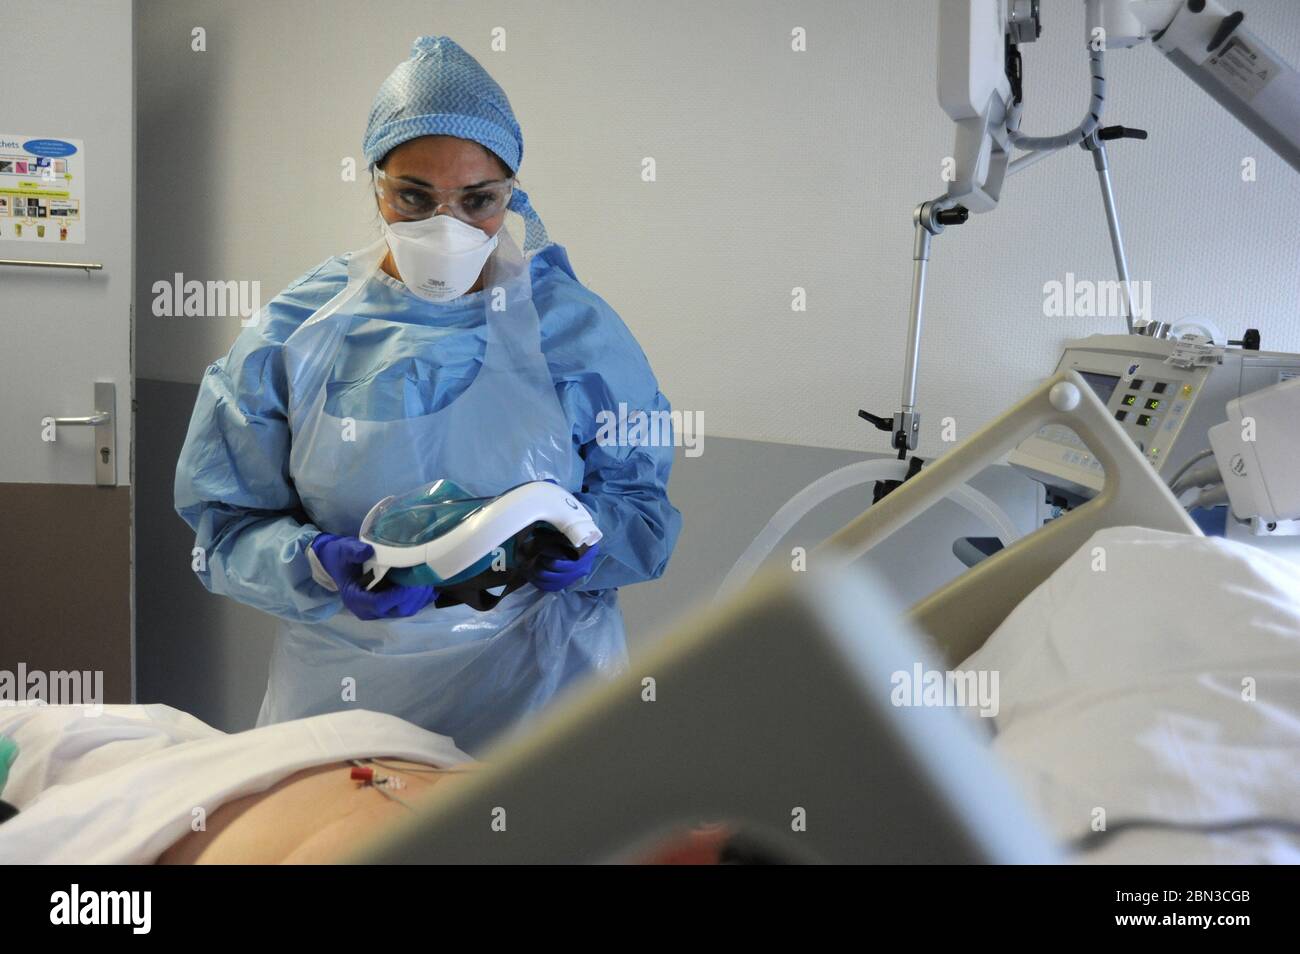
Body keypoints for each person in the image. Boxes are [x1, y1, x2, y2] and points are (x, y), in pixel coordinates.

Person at [175, 36, 681, 754]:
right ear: (375, 183)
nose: (445, 227)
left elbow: (643, 513)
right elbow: (225, 527)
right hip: (347, 709)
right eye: (414, 196)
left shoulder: (573, 333)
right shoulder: (296, 334)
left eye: (477, 200)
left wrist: (585, 547)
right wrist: (316, 562)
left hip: (541, 697)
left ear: (512, 197)